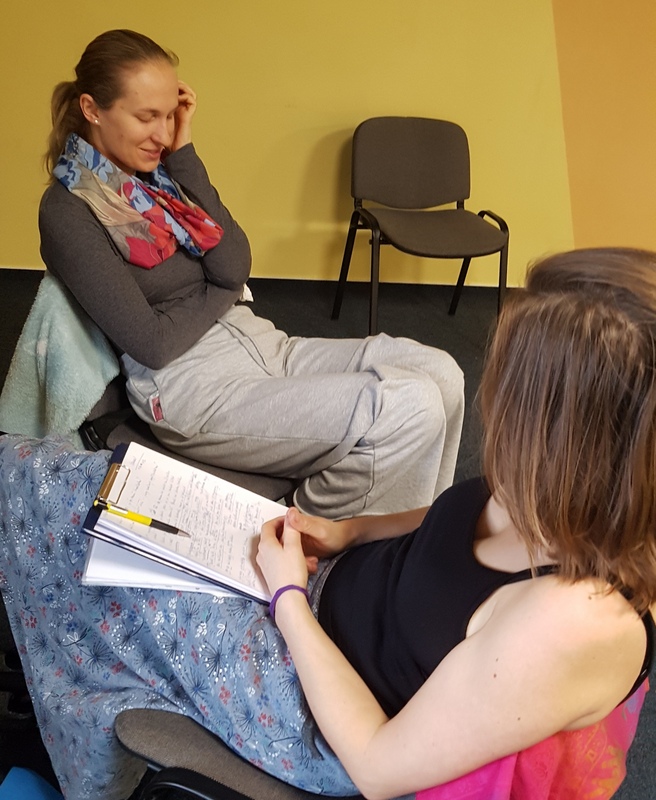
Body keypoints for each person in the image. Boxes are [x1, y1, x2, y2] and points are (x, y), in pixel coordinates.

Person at [0, 247, 653, 800]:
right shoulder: (560, 495)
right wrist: (349, 531)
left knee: (101, 560)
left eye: (512, 399)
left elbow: (377, 764)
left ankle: (78, 763)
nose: (493, 407)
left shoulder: (576, 622)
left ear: (572, 444)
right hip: (318, 600)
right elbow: (449, 524)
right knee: (103, 489)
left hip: (314, 712)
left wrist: (288, 599)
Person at [38, 29, 464, 520]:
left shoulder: (160, 177)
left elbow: (235, 263)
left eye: (171, 115)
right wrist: (224, 290)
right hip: (192, 387)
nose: (163, 134)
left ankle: (413, 534)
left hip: (263, 345)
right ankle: (309, 538)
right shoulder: (68, 210)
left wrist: (185, 155)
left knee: (442, 374)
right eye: (146, 117)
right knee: (408, 407)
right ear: (92, 109)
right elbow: (152, 343)